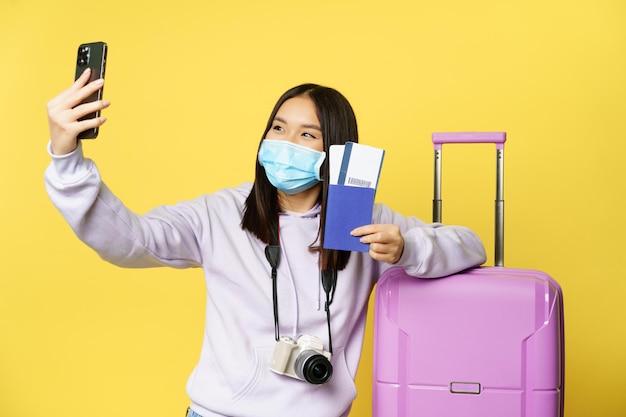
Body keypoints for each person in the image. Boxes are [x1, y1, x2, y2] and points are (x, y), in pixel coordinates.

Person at [44, 68, 487, 417]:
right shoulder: (220, 213)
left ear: (335, 150)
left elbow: (470, 245)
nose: (285, 142)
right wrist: (67, 160)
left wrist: (408, 247)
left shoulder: (363, 221)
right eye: (277, 127)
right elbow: (130, 240)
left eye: (307, 134)